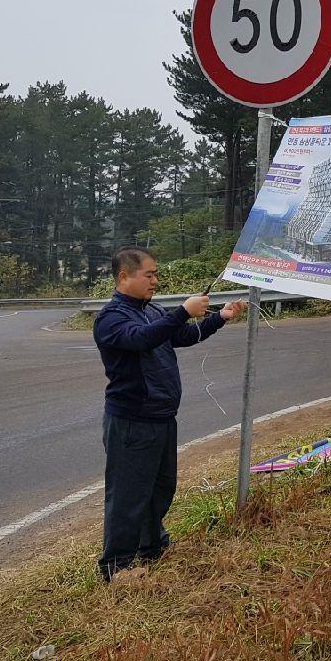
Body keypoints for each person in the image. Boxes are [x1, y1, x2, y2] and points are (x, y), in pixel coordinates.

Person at [93, 246, 244, 582]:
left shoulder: (151, 311)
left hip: (162, 417)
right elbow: (142, 340)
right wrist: (182, 312)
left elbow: (183, 335)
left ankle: (151, 549)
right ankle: (117, 566)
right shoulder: (112, 319)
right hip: (132, 420)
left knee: (160, 488)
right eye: (149, 275)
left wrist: (220, 317)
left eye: (156, 274)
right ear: (124, 276)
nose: (155, 281)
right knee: (128, 495)